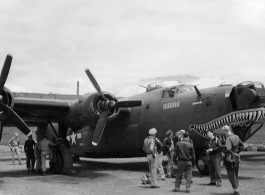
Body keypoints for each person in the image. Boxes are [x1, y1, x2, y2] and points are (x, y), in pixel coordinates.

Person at [222, 125, 244, 195]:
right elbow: (242, 146)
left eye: (224, 132)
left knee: (231, 174)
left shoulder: (228, 138)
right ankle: (236, 189)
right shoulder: (237, 137)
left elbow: (228, 149)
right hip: (237, 157)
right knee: (236, 173)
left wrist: (223, 151)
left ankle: (236, 191)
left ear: (225, 131)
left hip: (230, 158)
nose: (224, 133)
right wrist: (237, 152)